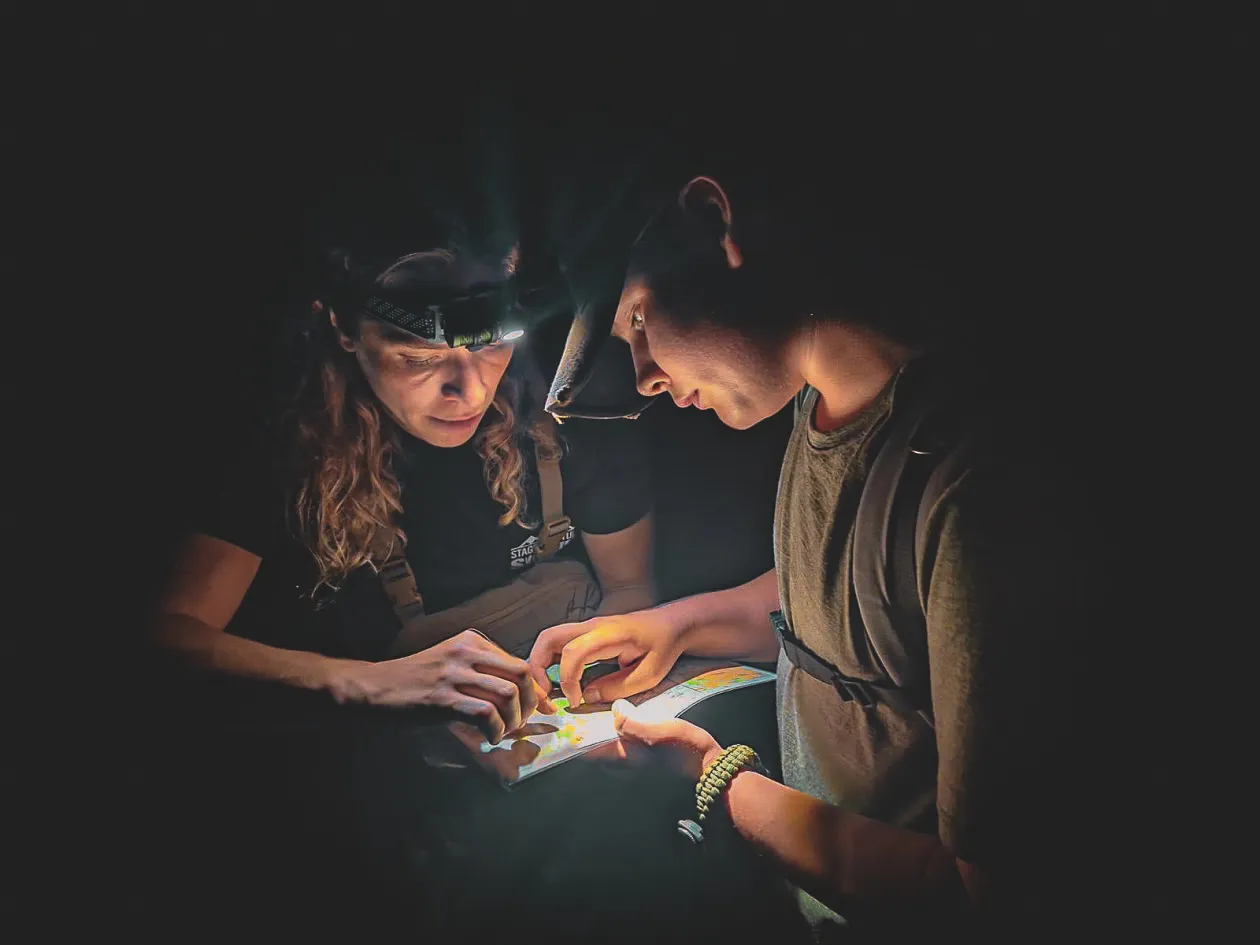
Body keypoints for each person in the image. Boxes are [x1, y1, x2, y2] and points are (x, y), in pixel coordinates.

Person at [531, 167, 1101, 936]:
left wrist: (711, 779)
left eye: (637, 318)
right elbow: (845, 609)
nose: (647, 378)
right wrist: (677, 626)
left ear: (710, 221)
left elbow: (991, 897)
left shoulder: (975, 482)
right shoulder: (818, 405)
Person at [147, 223, 655, 744]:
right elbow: (164, 639)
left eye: (492, 346)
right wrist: (367, 685)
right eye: (418, 358)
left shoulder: (570, 404)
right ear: (343, 329)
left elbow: (628, 588)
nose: (470, 389)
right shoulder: (283, 442)